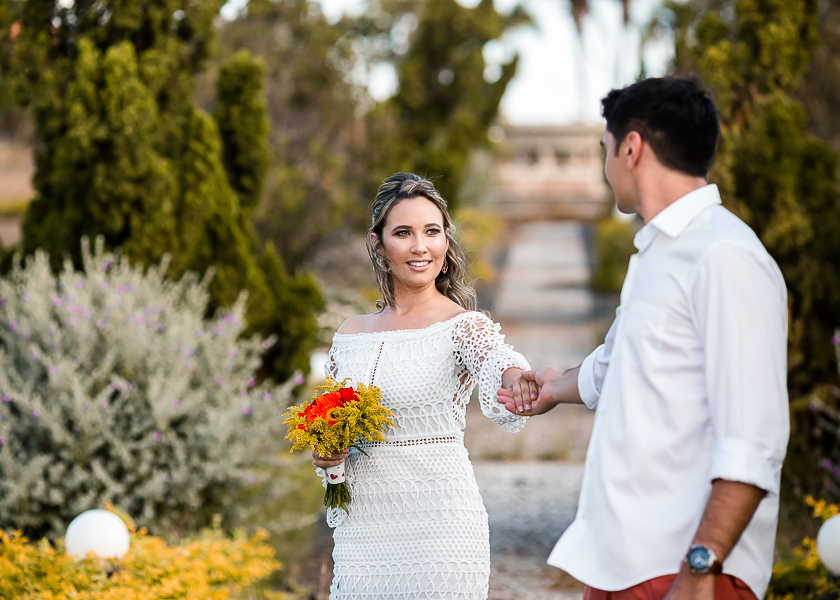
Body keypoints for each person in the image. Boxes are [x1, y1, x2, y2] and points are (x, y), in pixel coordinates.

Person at [497, 77, 789, 600]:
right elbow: (621, 363)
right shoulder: (660, 254)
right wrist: (554, 387)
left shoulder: (725, 257)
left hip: (689, 573)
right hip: (621, 568)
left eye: (605, 150)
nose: (605, 166)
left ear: (631, 148)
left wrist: (699, 570)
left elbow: (754, 439)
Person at [312, 172, 538, 599]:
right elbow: (331, 441)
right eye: (403, 233)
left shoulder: (463, 326)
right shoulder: (349, 335)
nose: (420, 246)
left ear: (446, 242)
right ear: (379, 244)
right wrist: (327, 456)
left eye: (432, 231)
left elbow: (497, 362)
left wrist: (516, 380)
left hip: (442, 535)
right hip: (363, 537)